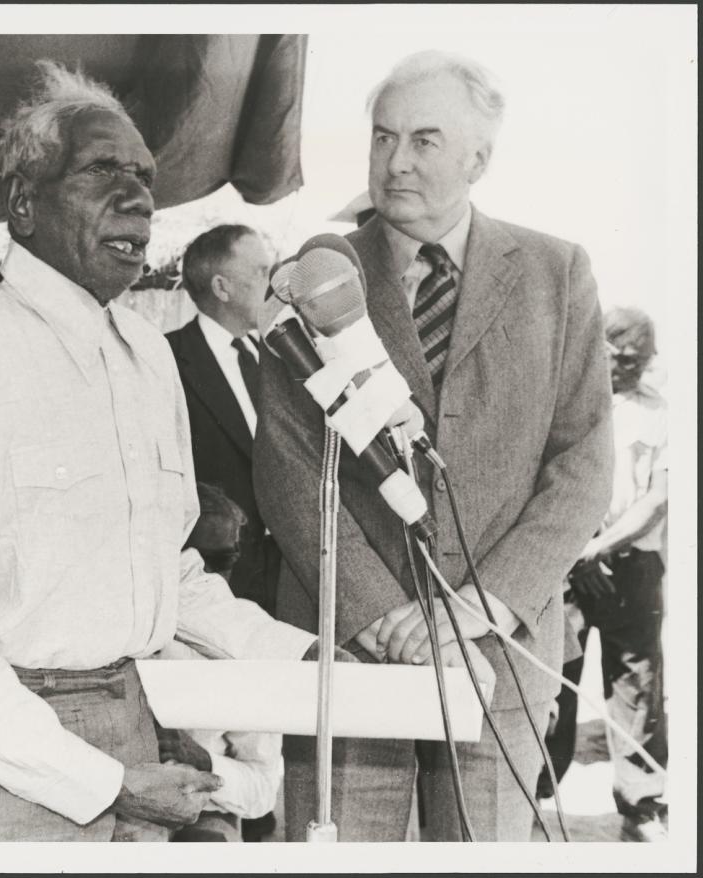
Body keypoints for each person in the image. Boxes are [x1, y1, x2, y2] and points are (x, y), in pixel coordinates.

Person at [0, 60, 317, 842]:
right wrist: (102, 780)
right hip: (0, 758)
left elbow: (170, 571)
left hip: (141, 723)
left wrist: (310, 656)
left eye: (145, 178)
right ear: (23, 202)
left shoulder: (146, 357)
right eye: (102, 171)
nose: (139, 197)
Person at [253, 50, 614, 841]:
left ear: (479, 158)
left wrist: (481, 608)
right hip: (352, 652)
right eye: (383, 138)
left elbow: (583, 466)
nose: (395, 162)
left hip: (501, 658)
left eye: (424, 141)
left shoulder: (557, 273)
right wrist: (384, 616)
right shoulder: (315, 275)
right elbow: (287, 465)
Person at [542, 307, 669, 841]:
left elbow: (660, 497)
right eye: (624, 358)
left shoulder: (661, 411)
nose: (634, 369)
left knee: (636, 683)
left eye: (643, 361)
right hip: (568, 566)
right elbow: (549, 482)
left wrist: (597, 548)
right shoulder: (567, 402)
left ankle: (642, 805)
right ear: (602, 350)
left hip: (630, 566)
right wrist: (579, 554)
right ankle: (536, 795)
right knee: (553, 679)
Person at [158, 482, 283, 843]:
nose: (200, 577)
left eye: (218, 562)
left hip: (198, 818)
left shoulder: (251, 643)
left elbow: (261, 792)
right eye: (187, 560)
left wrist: (203, 761)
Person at [166, 225, 280, 616]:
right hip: (216, 584)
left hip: (287, 578)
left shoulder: (280, 355)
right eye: (262, 272)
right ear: (221, 287)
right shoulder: (166, 359)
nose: (274, 282)